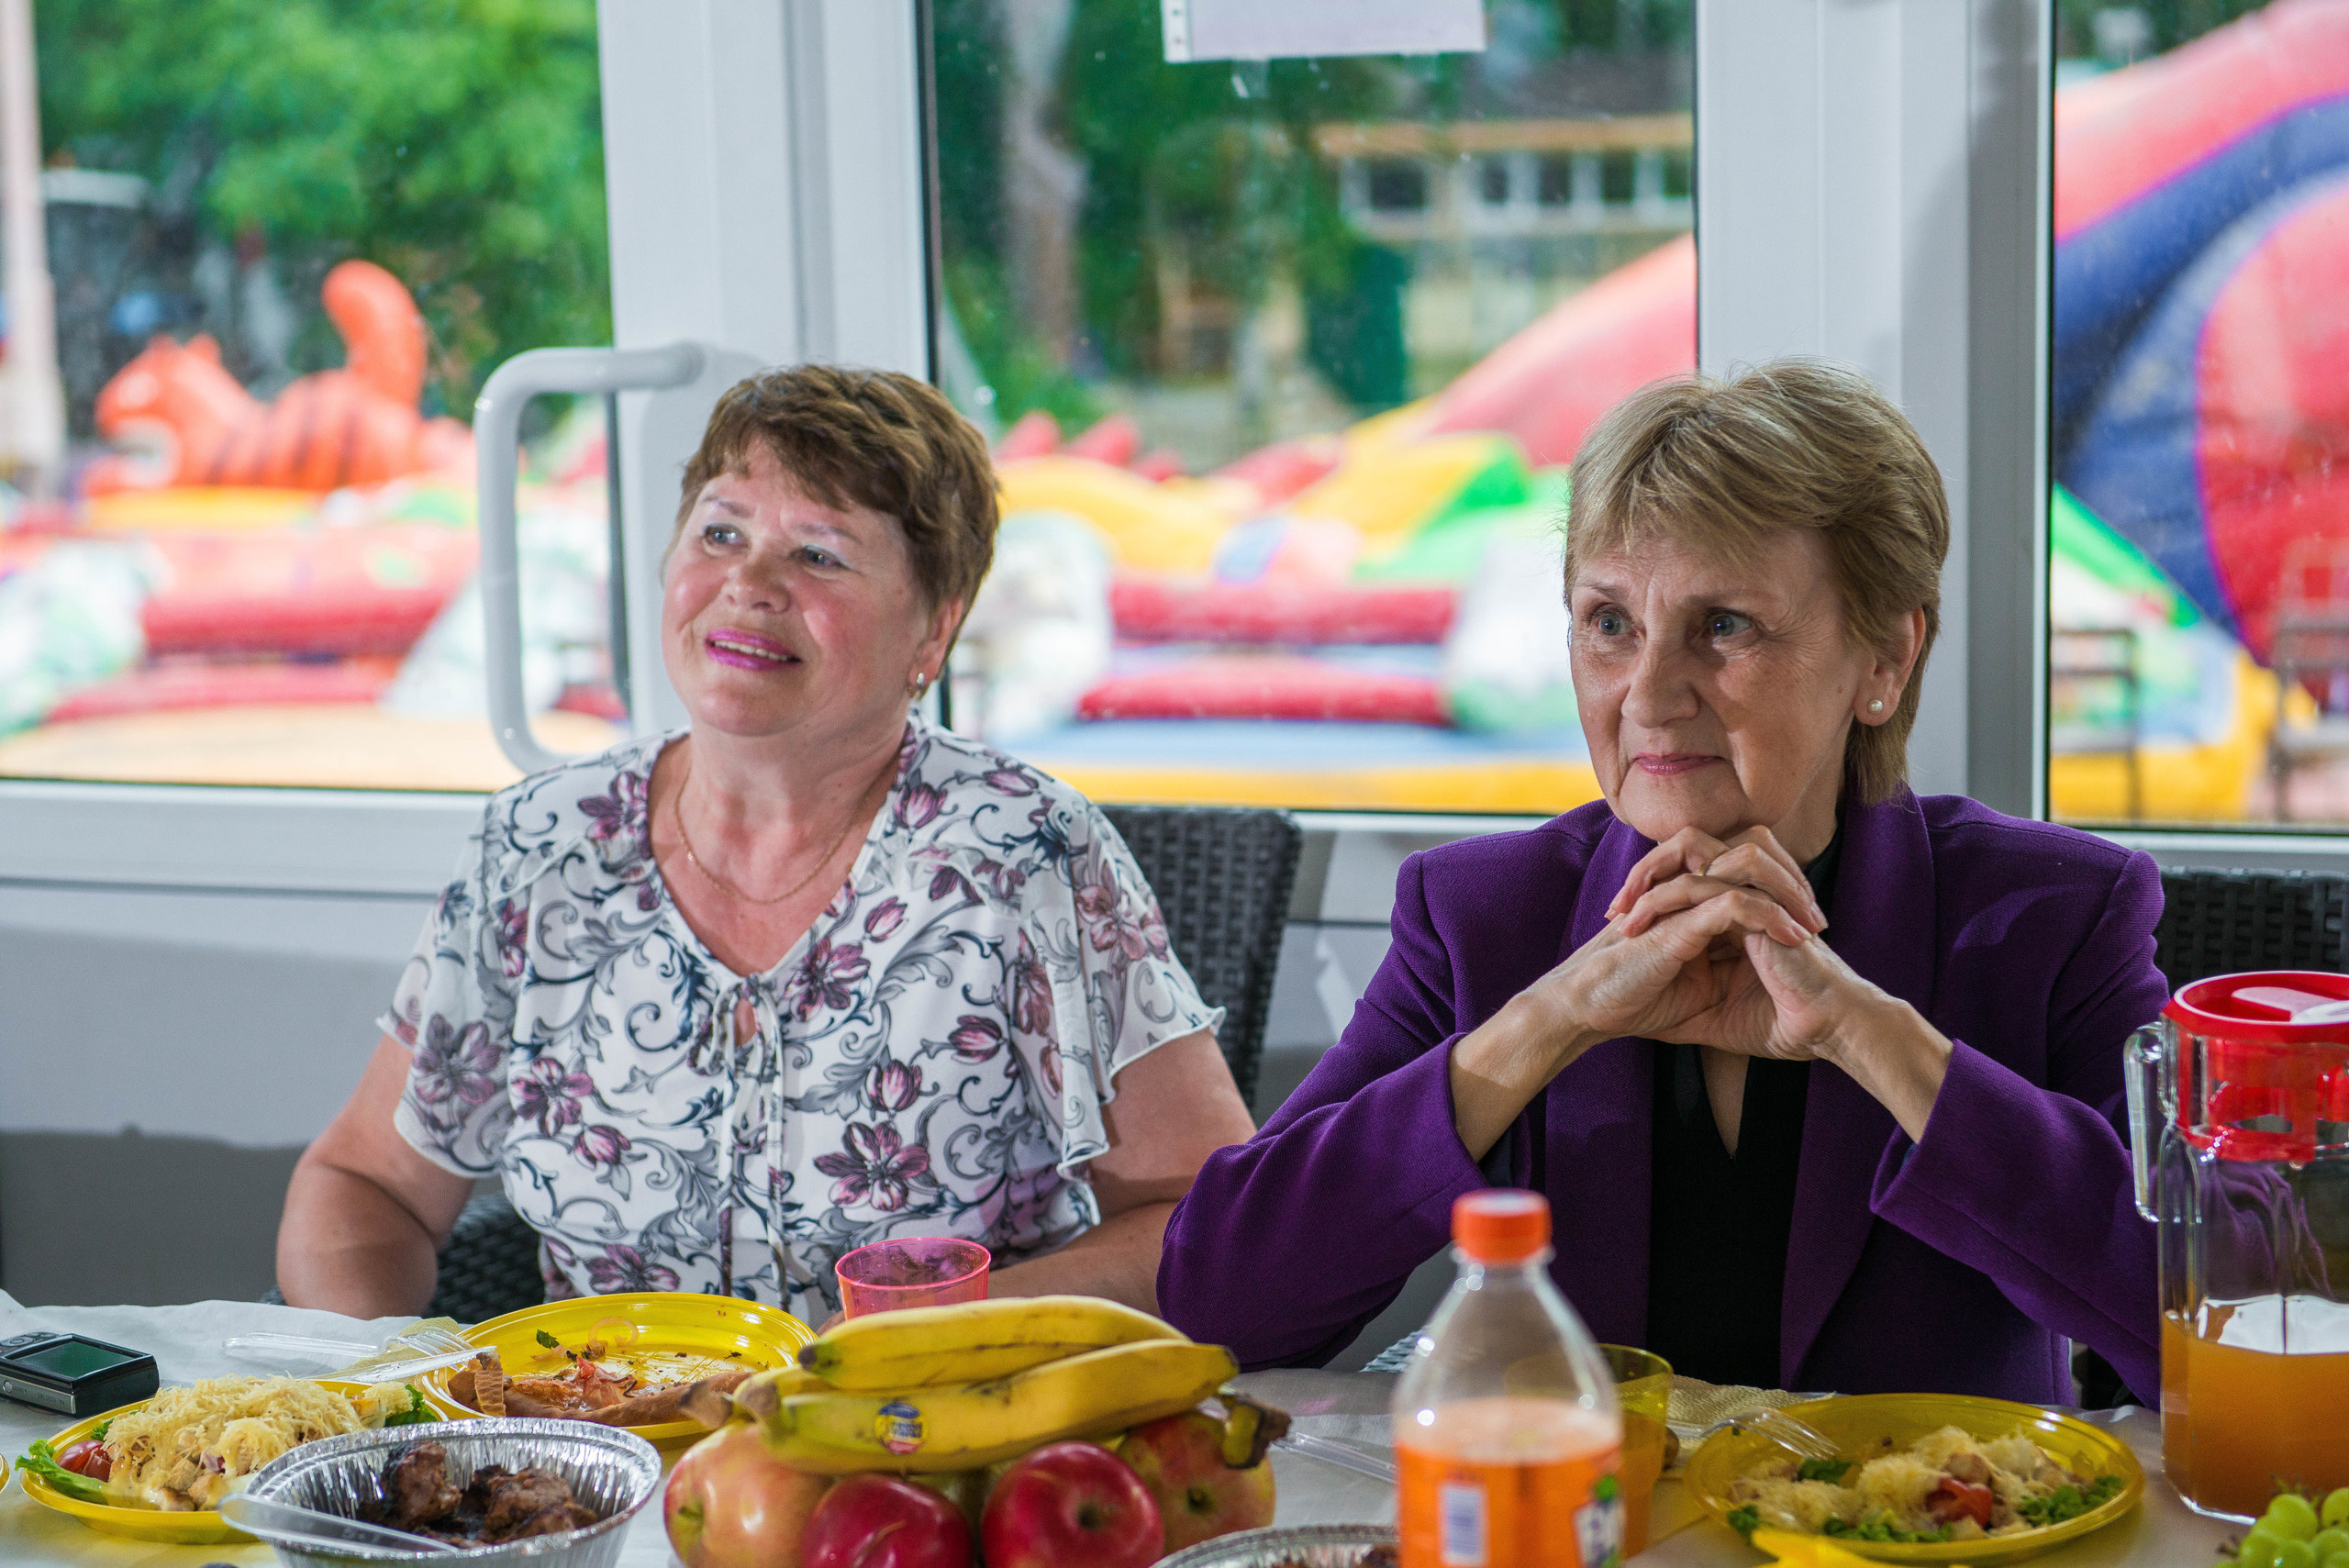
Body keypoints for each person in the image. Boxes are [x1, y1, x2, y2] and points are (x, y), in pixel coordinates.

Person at [1159, 361, 2165, 1405]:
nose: (1645, 693)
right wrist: (1549, 1018)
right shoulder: (1481, 917)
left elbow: (2195, 1327)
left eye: (1722, 625)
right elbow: (1216, 1307)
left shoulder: (2052, 915)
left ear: (1884, 660)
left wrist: (1872, 1036)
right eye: (1608, 624)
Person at [279, 365, 1256, 1324]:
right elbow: (368, 1183)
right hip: (598, 1467)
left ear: (934, 629)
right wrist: (384, 1380)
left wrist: (925, 1323)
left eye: (819, 554)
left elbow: (1206, 1222)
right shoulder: (539, 847)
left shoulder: (1019, 854)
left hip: (924, 1445)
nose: (748, 584)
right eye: (720, 532)